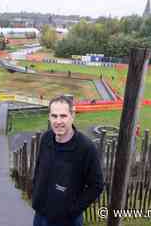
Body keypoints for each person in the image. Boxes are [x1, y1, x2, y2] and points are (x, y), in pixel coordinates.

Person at [32, 95, 104, 226]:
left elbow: (97, 186)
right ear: (49, 117)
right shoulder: (46, 138)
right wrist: (36, 194)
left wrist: (72, 211)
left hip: (67, 221)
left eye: (63, 116)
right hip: (40, 215)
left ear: (72, 116)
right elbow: (38, 168)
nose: (58, 121)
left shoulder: (85, 148)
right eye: (54, 116)